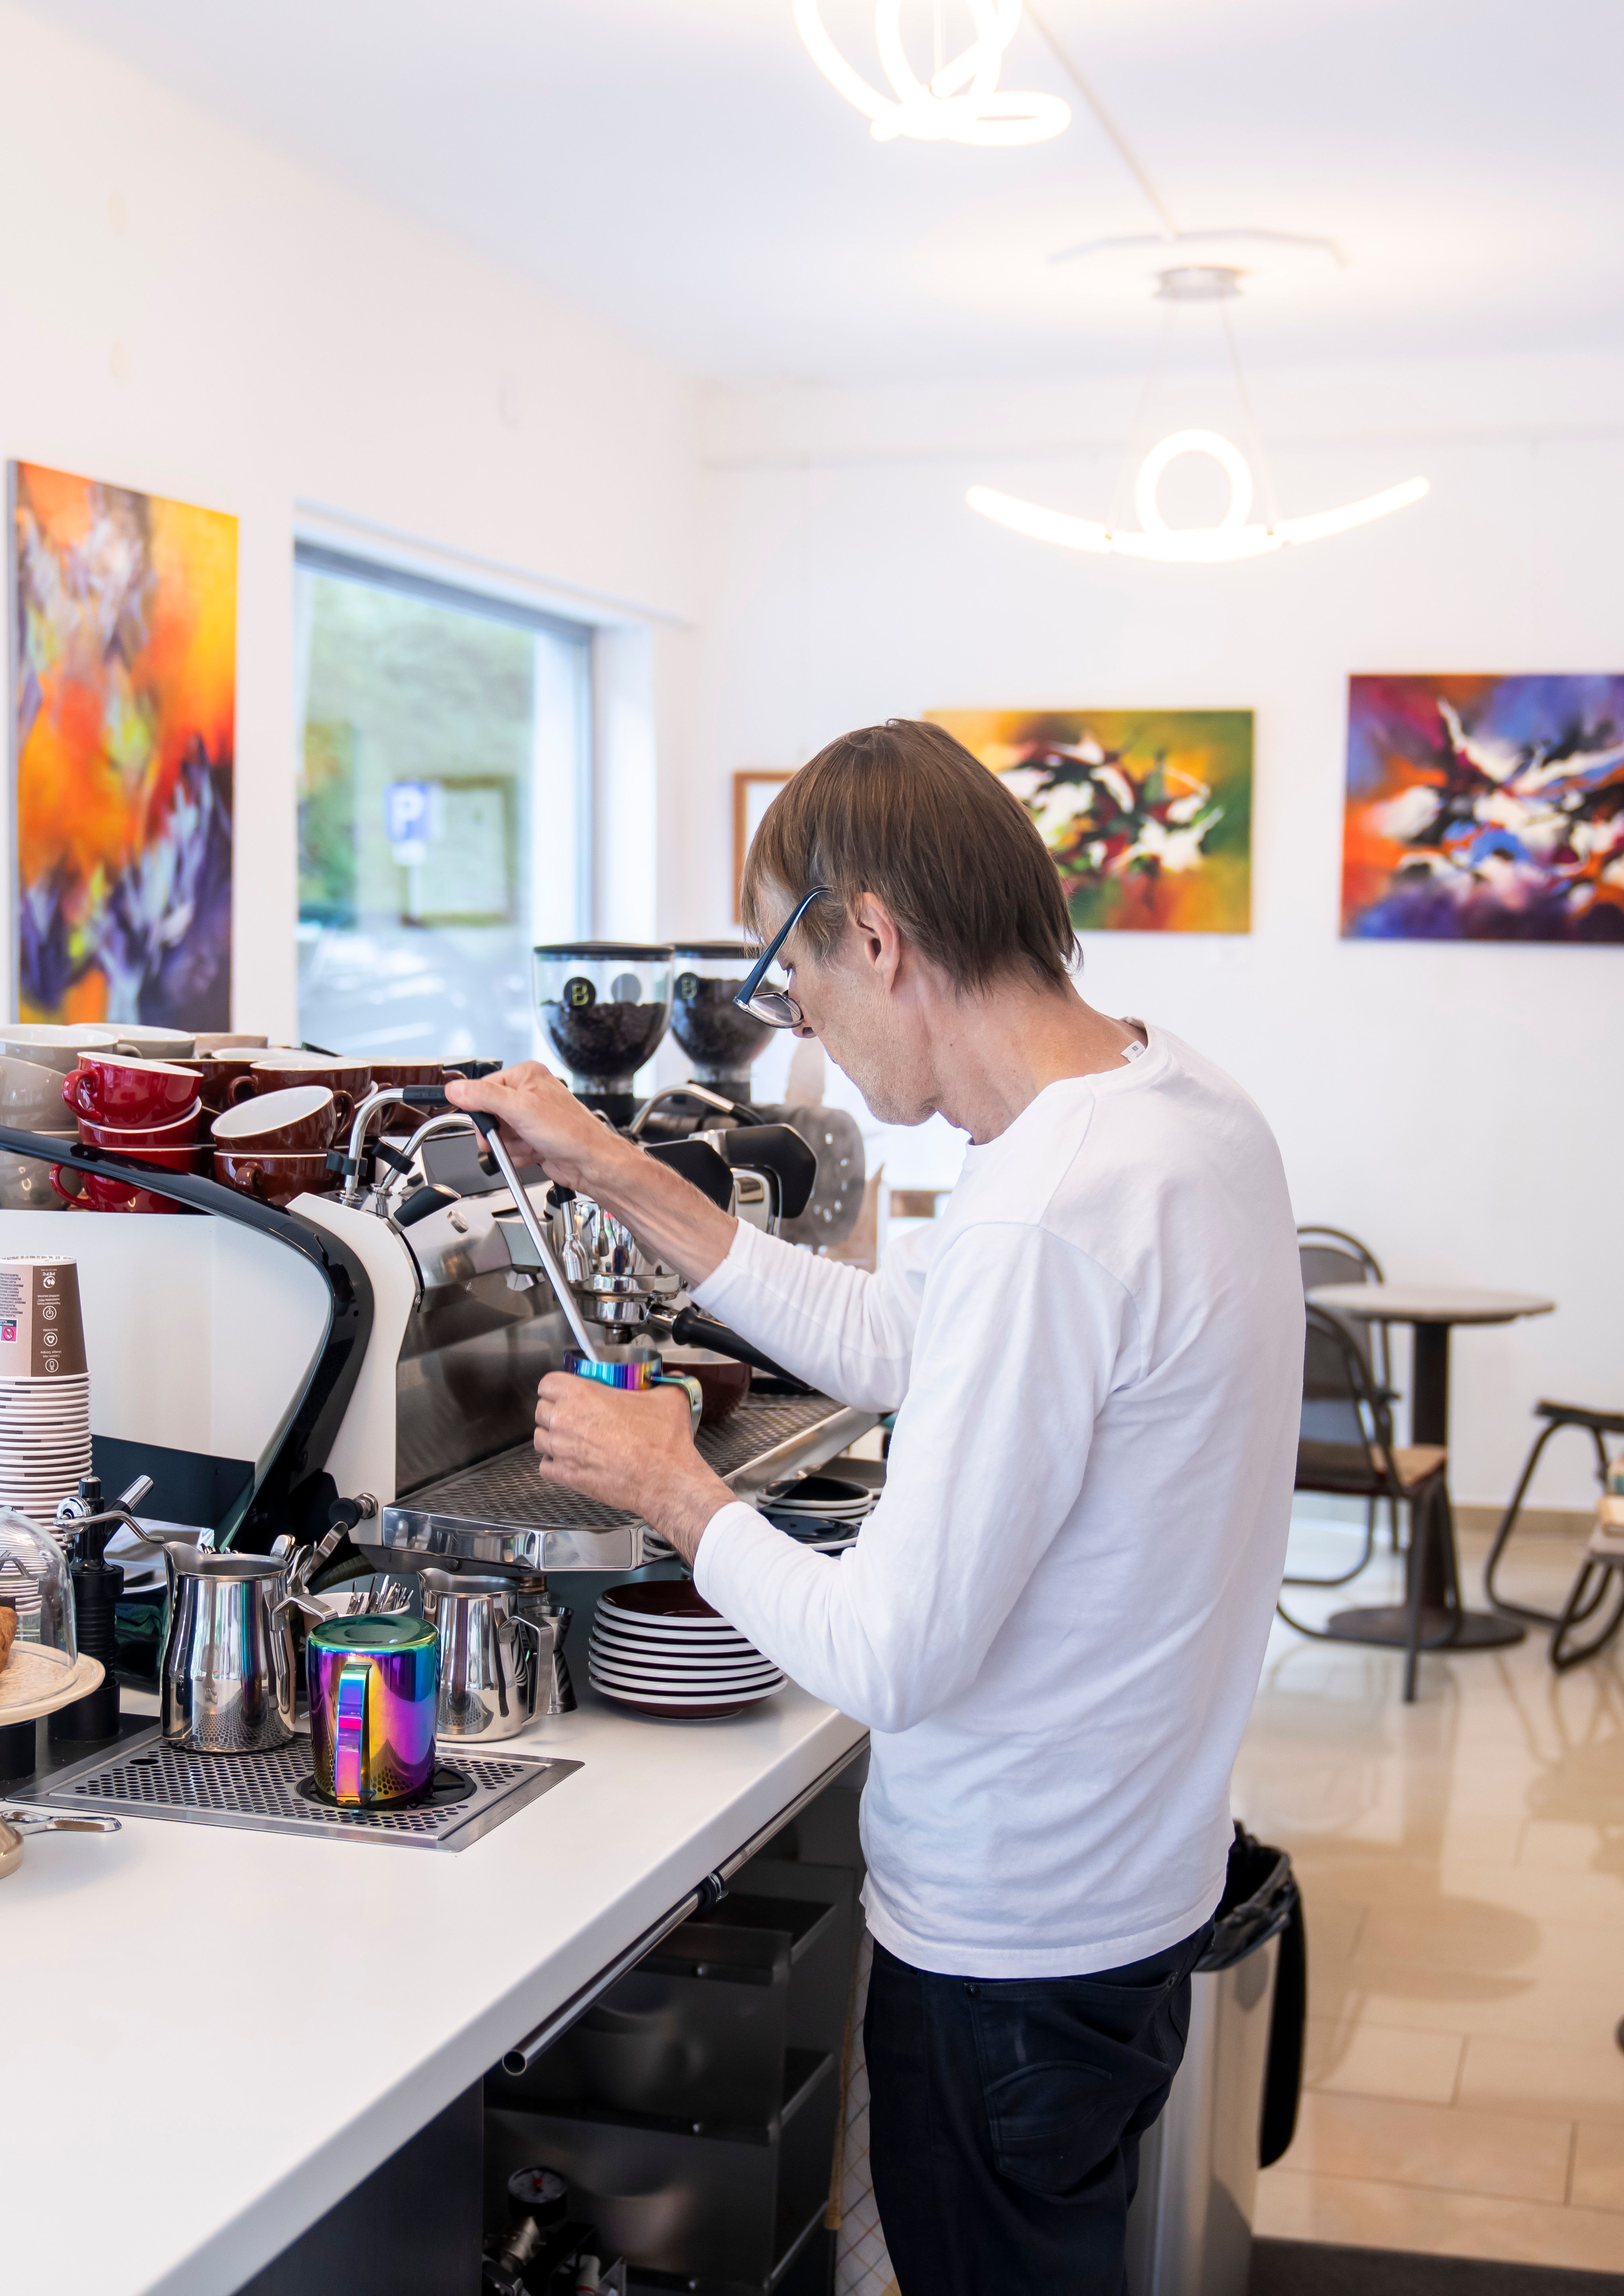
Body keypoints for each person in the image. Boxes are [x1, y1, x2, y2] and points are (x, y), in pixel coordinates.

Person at [448, 718, 1300, 2294]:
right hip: (1124, 1888)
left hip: (1012, 1945)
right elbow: (904, 1344)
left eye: (800, 991)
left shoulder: (1053, 1207)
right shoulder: (1170, 1109)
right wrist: (607, 1163)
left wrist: (675, 1491)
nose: (804, 1045)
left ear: (883, 939)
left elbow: (895, 1654)